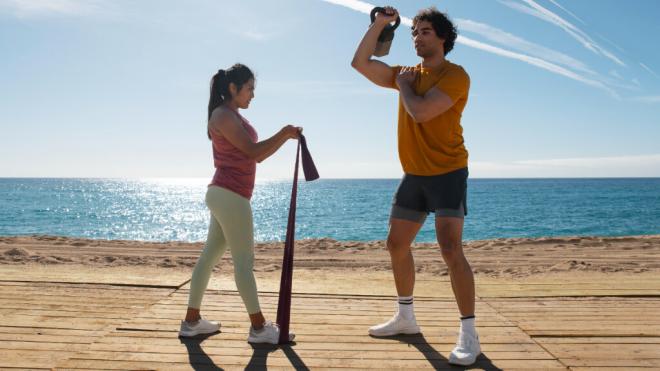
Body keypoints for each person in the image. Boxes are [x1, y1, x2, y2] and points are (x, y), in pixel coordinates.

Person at [351, 6, 480, 366]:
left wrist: (404, 86)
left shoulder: (456, 76)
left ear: (442, 38)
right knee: (396, 243)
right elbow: (360, 63)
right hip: (414, 174)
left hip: (449, 171)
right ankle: (406, 317)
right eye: (414, 32)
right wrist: (379, 24)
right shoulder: (405, 73)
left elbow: (421, 111)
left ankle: (469, 334)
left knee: (451, 249)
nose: (417, 37)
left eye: (425, 31)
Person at [179, 63, 300, 344]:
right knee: (244, 263)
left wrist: (285, 135)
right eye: (249, 89)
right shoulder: (223, 116)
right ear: (233, 88)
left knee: (209, 257)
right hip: (230, 195)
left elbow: (254, 153)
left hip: (226, 194)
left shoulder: (229, 114)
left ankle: (191, 321)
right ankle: (259, 328)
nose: (252, 95)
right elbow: (254, 153)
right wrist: (284, 133)